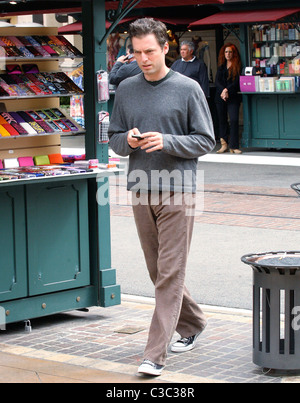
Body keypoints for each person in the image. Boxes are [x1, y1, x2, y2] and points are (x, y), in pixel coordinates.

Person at [108, 18, 215, 377]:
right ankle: (194, 322)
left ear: (165, 48)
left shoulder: (187, 88)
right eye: (136, 53)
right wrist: (131, 141)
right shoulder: (126, 88)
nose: (142, 59)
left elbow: (205, 140)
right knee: (158, 271)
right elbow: (115, 140)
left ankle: (154, 354)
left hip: (179, 189)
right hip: (140, 186)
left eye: (149, 51)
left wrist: (168, 141)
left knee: (170, 272)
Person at [215, 43, 242, 154]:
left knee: (234, 119)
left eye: (230, 52)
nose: (228, 54)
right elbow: (217, 81)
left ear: (234, 53)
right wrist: (223, 91)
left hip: (233, 96)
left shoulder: (238, 66)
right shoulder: (221, 66)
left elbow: (237, 82)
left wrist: (226, 90)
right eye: (226, 52)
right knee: (222, 120)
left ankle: (234, 145)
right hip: (220, 96)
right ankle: (224, 144)